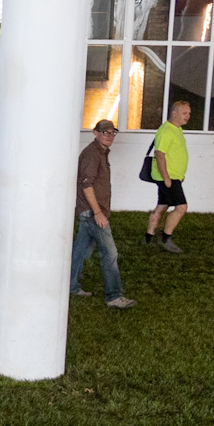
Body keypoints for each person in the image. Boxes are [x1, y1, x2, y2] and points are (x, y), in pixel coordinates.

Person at [71, 118, 135, 309]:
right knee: (110, 253)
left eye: (112, 133)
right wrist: (98, 212)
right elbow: (86, 184)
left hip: (90, 212)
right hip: (92, 213)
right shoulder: (92, 154)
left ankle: (71, 286)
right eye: (105, 132)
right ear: (96, 133)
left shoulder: (101, 153)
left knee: (80, 252)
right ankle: (114, 296)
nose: (109, 136)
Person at [146, 98, 192, 253]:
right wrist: (166, 177)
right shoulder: (166, 130)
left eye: (189, 113)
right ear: (174, 113)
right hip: (168, 178)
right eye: (184, 113)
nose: (188, 116)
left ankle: (148, 237)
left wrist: (179, 174)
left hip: (174, 176)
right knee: (181, 207)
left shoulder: (176, 129)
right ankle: (166, 239)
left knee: (162, 206)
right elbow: (159, 155)